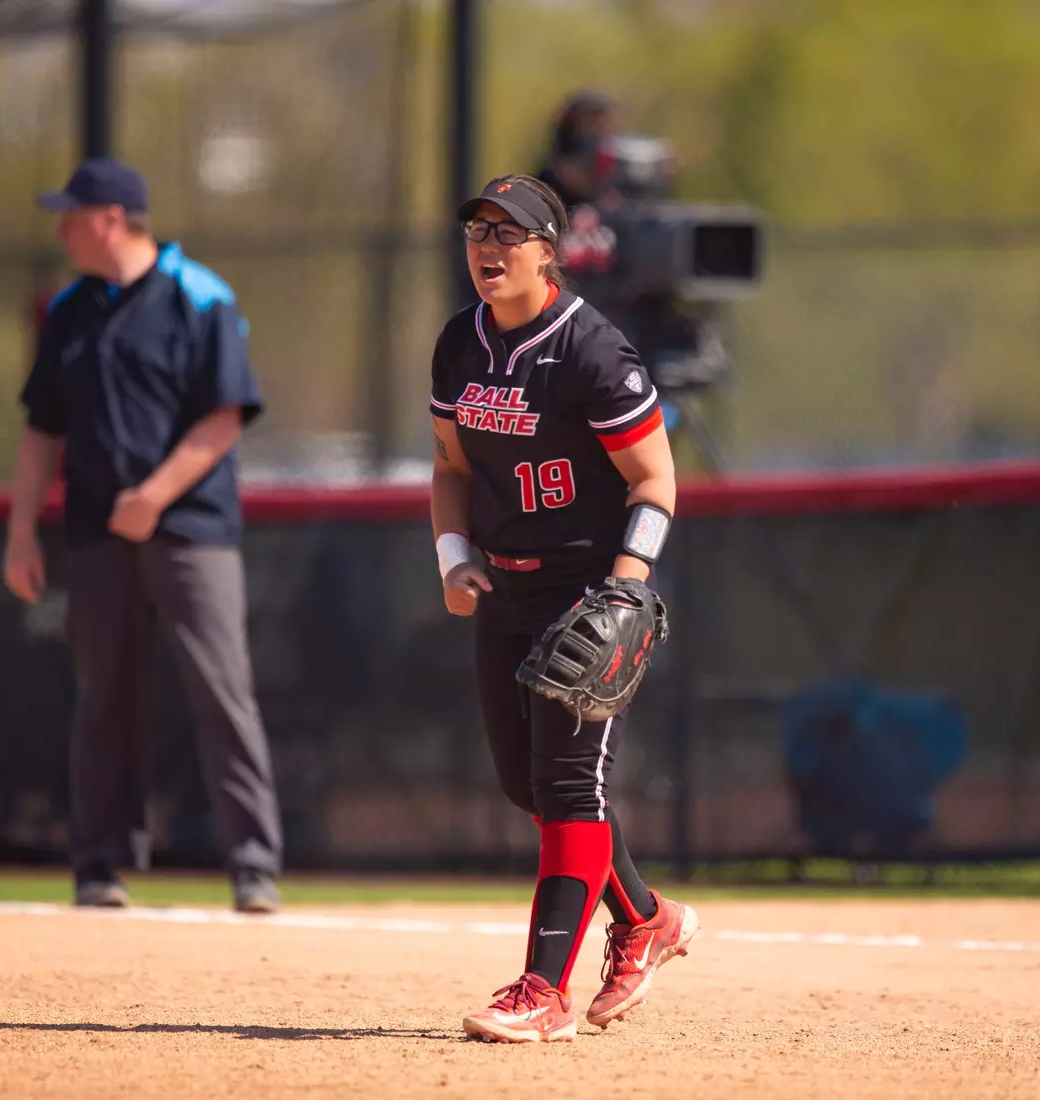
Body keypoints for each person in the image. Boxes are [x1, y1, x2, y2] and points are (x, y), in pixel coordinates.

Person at [429, 173, 699, 1043]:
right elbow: (450, 469)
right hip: (504, 586)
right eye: (478, 231)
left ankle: (543, 991)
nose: (489, 249)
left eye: (510, 234)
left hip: (585, 590)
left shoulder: (592, 350)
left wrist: (626, 585)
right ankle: (648, 917)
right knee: (527, 786)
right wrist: (453, 557)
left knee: (570, 786)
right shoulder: (458, 345)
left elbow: (655, 479)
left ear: (551, 251)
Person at [3, 157, 284, 915]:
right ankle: (101, 863)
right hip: (95, 531)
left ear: (111, 219)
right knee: (104, 694)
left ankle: (253, 865)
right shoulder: (70, 307)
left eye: (72, 215)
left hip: (192, 530)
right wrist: (21, 532)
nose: (62, 228)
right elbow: (41, 428)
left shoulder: (200, 296)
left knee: (221, 690)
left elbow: (224, 416)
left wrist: (153, 497)